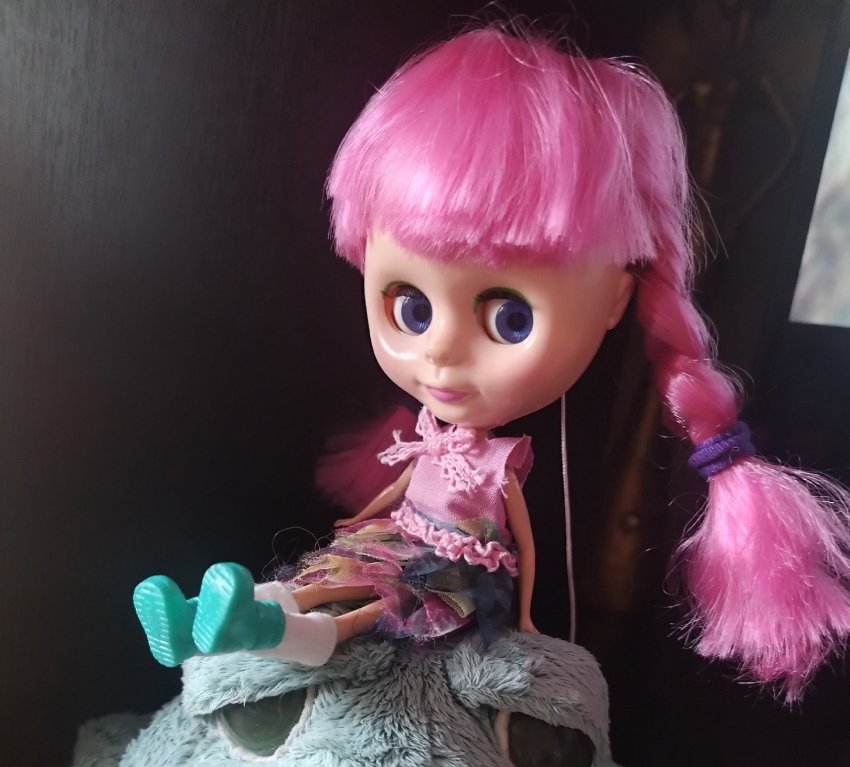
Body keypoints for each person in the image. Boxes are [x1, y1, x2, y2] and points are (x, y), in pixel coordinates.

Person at [134, 24, 850, 696]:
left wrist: (529, 620)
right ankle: (217, 614)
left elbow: (524, 545)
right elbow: (400, 489)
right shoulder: (429, 432)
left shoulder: (500, 461)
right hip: (401, 538)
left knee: (370, 606)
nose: (440, 350)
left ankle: (269, 628)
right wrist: (366, 520)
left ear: (613, 299)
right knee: (335, 570)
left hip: (453, 570)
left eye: (509, 319)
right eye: (410, 309)